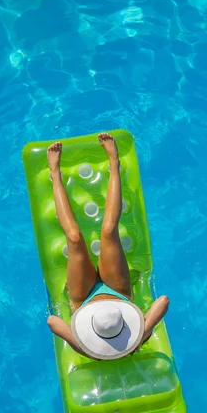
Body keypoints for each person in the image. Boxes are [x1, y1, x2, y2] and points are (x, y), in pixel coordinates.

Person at [46, 132, 170, 360]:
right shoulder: (136, 337)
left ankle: (55, 174)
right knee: (109, 230)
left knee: (73, 237)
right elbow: (163, 301)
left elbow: (52, 321)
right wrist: (140, 334)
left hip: (82, 299)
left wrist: (82, 343)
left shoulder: (85, 348)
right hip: (118, 293)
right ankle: (114, 163)